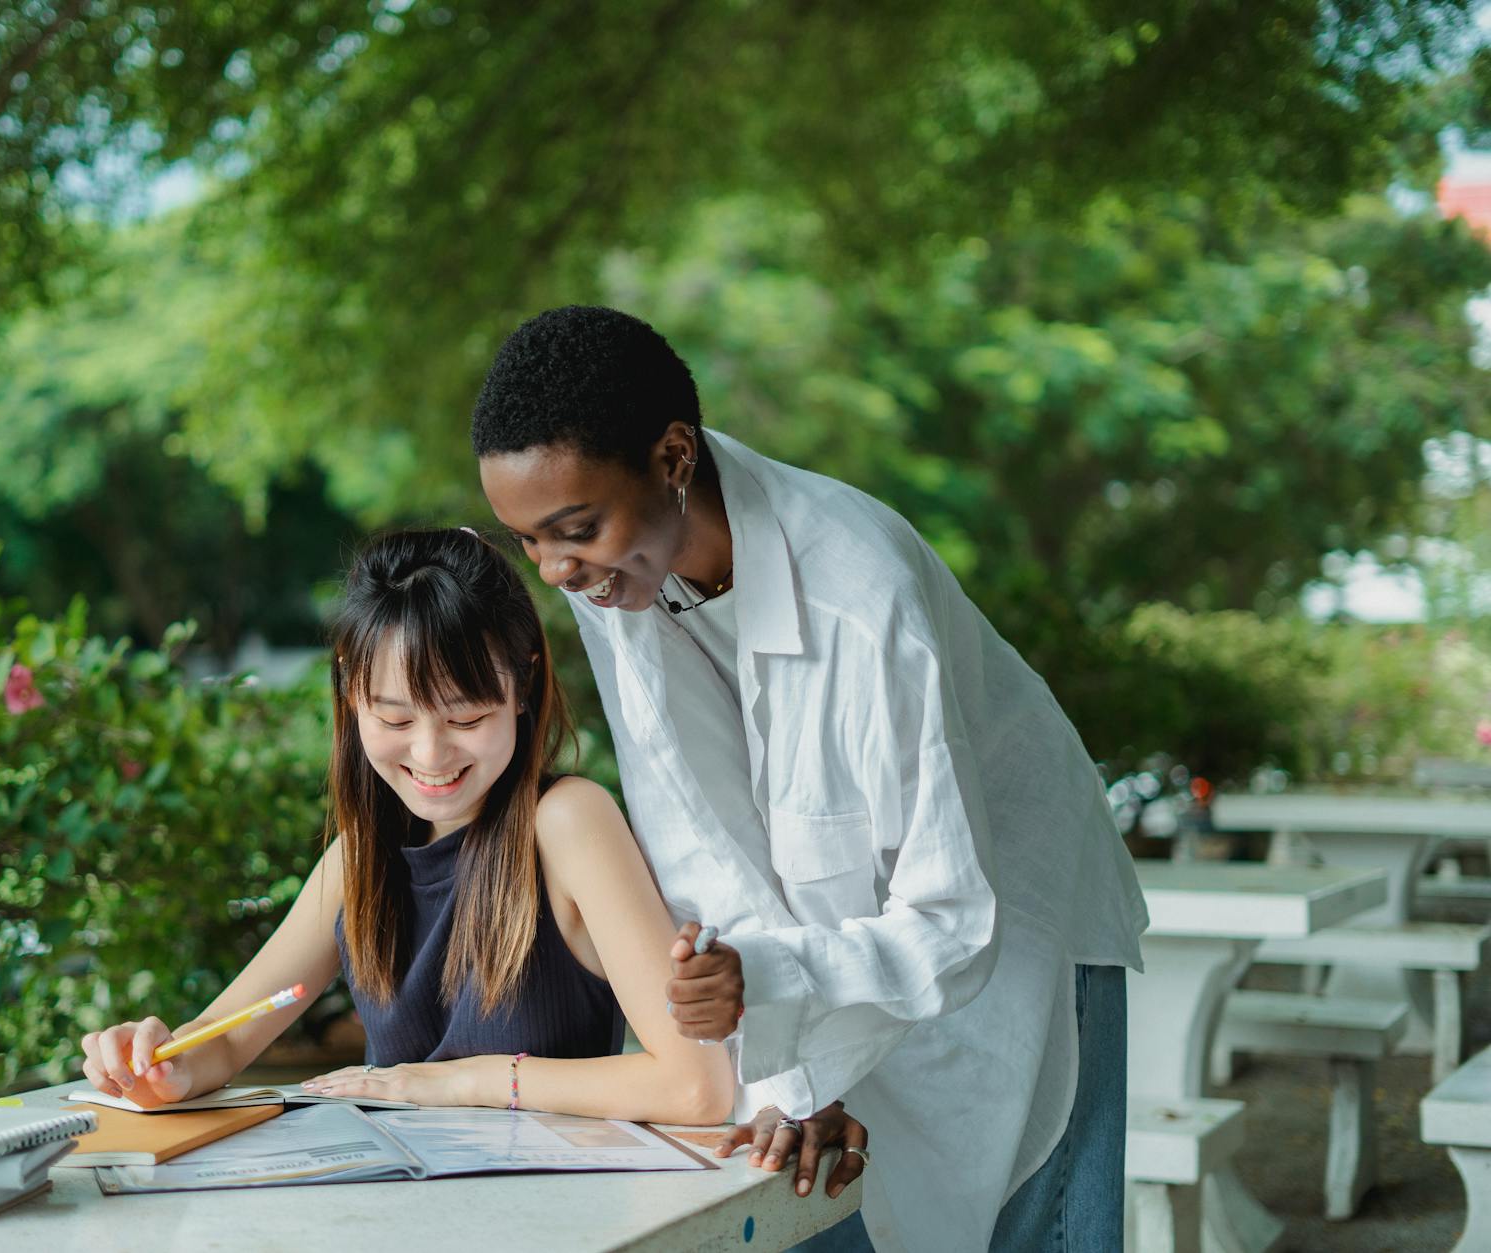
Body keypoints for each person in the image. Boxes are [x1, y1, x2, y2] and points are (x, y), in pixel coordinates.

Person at [473, 306, 1149, 1250]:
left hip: (1015, 929)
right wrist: (796, 1073)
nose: (552, 570)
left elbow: (957, 922)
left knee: (1031, 1222)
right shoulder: (619, 569)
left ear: (673, 459)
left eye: (570, 530)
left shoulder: (863, 597)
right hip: (833, 957)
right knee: (826, 1189)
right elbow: (700, 834)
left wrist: (770, 977)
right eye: (527, 541)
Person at [79, 528, 788, 1139]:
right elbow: (227, 1038)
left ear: (523, 685)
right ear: (351, 691)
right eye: (393, 720)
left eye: (466, 717)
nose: (430, 754)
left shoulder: (566, 822)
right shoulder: (357, 859)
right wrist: (157, 1062)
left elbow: (696, 1086)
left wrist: (460, 1081)